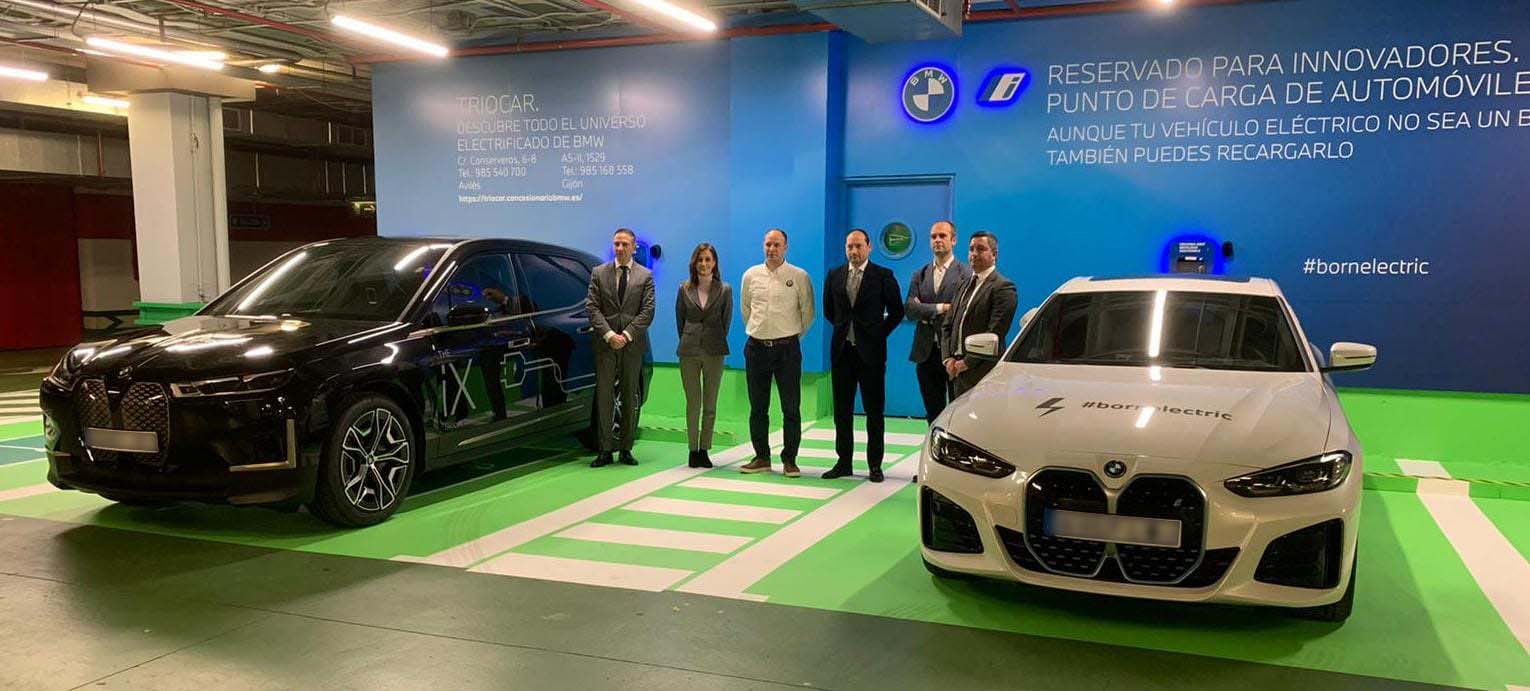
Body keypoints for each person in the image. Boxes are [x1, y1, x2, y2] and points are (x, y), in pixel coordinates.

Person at [823, 229, 904, 482]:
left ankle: (875, 465)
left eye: (858, 246)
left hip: (872, 354)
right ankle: (844, 462)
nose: (854, 251)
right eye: (850, 247)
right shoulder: (834, 275)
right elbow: (830, 311)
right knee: (842, 412)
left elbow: (897, 312)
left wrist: (877, 334)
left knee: (874, 411)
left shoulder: (883, 276)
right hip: (842, 352)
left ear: (869, 247)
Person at [738, 229, 815, 478]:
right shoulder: (750, 275)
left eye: (777, 245)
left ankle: (790, 459)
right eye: (768, 244)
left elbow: (808, 312)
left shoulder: (799, 276)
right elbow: (746, 310)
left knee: (791, 407)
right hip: (756, 348)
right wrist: (762, 332)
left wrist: (790, 336)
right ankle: (761, 457)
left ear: (786, 247)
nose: (772, 249)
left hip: (787, 350)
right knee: (757, 407)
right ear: (763, 246)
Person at [586, 228, 655, 467]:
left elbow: (647, 312)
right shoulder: (598, 273)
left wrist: (625, 335)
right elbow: (592, 307)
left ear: (634, 247)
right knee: (604, 398)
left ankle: (626, 448)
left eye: (625, 244)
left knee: (629, 396)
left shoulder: (645, 276)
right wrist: (608, 334)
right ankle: (605, 450)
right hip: (605, 344)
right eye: (616, 244)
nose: (620, 248)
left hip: (632, 344)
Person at [904, 220, 972, 424]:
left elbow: (961, 311)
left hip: (953, 352)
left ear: (954, 240)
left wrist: (923, 308)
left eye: (942, 236)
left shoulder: (966, 274)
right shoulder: (920, 274)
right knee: (932, 412)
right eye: (934, 236)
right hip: (926, 352)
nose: (937, 240)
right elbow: (909, 309)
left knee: (957, 411)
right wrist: (941, 308)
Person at [675, 243, 732, 468]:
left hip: (715, 350)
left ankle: (704, 449)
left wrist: (713, 339)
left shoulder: (725, 289)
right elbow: (679, 320)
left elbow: (725, 321)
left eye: (708, 259)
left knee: (710, 403)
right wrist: (690, 338)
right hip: (688, 350)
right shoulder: (684, 288)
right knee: (693, 403)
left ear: (714, 263)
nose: (704, 264)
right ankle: (692, 449)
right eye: (700, 259)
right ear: (694, 262)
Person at [942, 231, 1018, 397]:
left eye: (981, 249)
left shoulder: (1003, 287)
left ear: (994, 254)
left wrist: (966, 363)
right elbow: (947, 325)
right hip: (955, 371)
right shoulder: (963, 286)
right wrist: (948, 359)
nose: (974, 254)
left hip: (982, 372)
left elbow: (995, 333)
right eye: (971, 249)